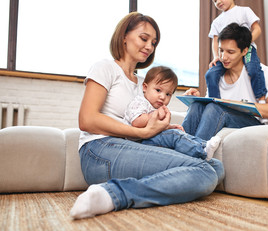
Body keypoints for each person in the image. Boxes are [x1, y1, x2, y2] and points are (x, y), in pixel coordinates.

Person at [70, 12, 225, 220]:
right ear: (124, 36)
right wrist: (140, 131)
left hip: (134, 147)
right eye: (144, 39)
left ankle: (125, 188)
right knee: (204, 173)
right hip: (99, 151)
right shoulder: (105, 68)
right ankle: (113, 195)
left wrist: (165, 126)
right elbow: (87, 120)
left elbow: (152, 120)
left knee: (216, 167)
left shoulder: (144, 84)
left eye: (154, 43)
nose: (149, 46)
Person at [182, 23, 268, 141]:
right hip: (223, 118)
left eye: (230, 52)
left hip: (254, 125)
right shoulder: (216, 77)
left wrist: (236, 105)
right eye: (221, 50)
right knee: (196, 106)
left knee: (216, 109)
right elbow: (208, 111)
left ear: (244, 51)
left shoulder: (264, 72)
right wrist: (198, 98)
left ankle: (194, 153)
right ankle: (182, 151)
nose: (223, 57)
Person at [124, 65, 221, 160]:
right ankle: (202, 150)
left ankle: (201, 147)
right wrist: (155, 115)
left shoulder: (156, 108)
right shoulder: (139, 102)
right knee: (174, 136)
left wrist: (169, 126)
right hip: (138, 142)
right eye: (158, 90)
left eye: (168, 94)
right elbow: (136, 122)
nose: (162, 97)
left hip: (149, 139)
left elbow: (158, 128)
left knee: (176, 133)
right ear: (145, 87)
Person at [206, 0, 267, 101]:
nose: (218, 2)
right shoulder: (216, 21)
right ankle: (215, 102)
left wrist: (243, 44)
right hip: (225, 54)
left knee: (253, 69)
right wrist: (216, 56)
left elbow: (257, 29)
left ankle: (261, 99)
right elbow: (215, 41)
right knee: (210, 74)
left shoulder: (244, 11)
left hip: (247, 49)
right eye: (215, 1)